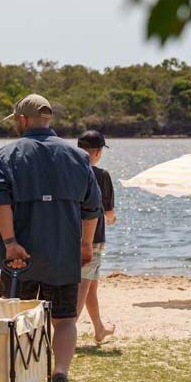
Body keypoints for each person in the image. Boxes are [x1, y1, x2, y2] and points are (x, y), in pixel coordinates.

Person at [0, 94, 101, 382]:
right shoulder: (78, 156)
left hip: (19, 257)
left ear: (22, 120)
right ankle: (60, 372)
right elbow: (91, 208)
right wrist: (85, 245)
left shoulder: (6, 155)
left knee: (19, 319)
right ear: (48, 120)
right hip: (63, 252)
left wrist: (9, 243)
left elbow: (2, 204)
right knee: (64, 319)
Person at [76, 129, 116, 345]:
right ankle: (66, 330)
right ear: (98, 152)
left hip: (70, 236)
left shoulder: (69, 173)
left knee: (91, 286)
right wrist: (112, 219)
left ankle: (99, 328)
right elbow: (108, 212)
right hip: (93, 240)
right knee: (83, 286)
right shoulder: (101, 176)